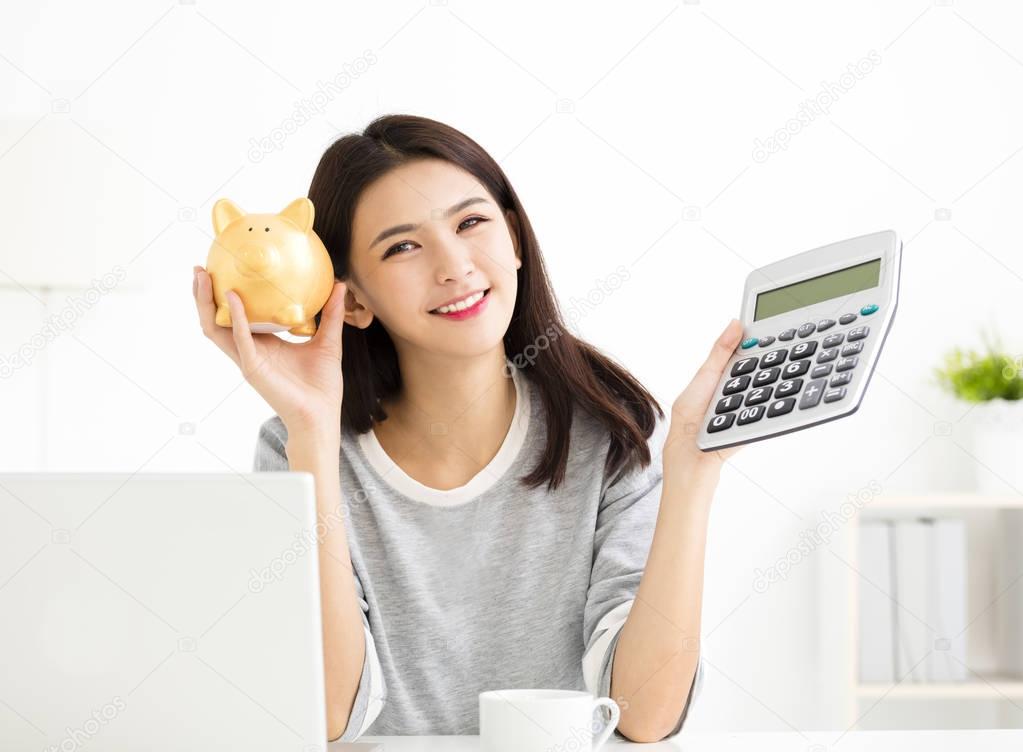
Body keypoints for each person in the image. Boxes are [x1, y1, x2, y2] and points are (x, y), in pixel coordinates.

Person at [192, 114, 742, 744]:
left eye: (470, 223)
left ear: (512, 238)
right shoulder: (296, 444)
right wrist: (312, 431)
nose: (453, 265)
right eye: (402, 246)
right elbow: (327, 716)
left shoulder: (612, 434)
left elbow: (644, 715)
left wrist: (694, 476)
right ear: (354, 299)